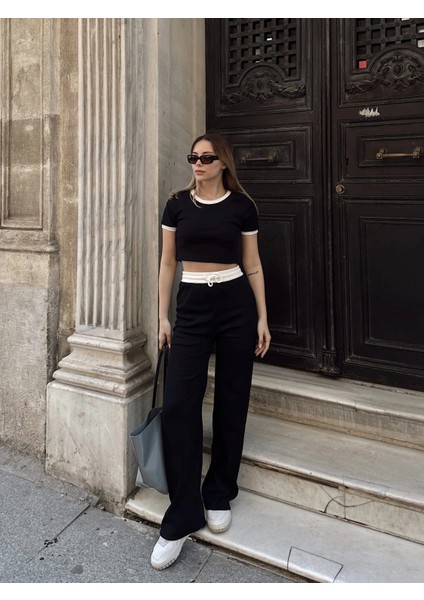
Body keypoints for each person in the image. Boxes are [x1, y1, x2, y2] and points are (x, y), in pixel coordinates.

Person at [151, 132, 271, 570]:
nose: (197, 163)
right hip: (192, 304)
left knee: (232, 400)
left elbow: (252, 263)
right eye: (193, 157)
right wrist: (163, 316)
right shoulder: (176, 205)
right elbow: (168, 262)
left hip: (236, 304)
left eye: (206, 158)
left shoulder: (242, 206)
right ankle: (183, 511)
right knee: (179, 405)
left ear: (223, 163)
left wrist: (262, 316)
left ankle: (219, 491)